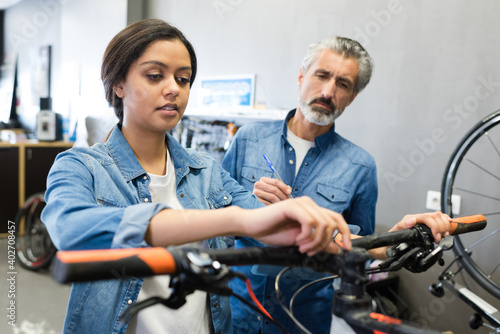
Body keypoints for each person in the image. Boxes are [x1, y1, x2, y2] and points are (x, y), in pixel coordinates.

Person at [42, 19, 451, 334]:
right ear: (117, 84)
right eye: (155, 76)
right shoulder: (80, 167)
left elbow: (289, 227)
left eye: (183, 80)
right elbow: (72, 230)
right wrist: (238, 219)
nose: (174, 89)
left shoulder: (206, 174)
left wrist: (394, 239)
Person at [221, 36, 376, 333]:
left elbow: (360, 257)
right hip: (236, 311)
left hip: (302, 320)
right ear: (302, 75)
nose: (328, 91)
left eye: (343, 84)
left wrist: (316, 234)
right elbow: (217, 218)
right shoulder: (248, 138)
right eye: (322, 75)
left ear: (352, 96)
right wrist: (248, 205)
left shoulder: (361, 167)